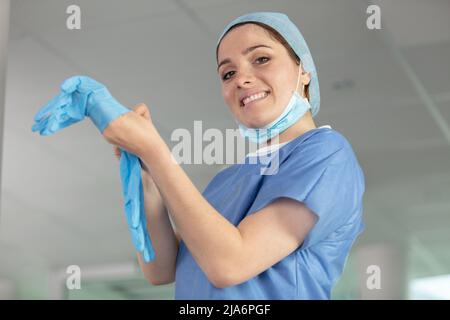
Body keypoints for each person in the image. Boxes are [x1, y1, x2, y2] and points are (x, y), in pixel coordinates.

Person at [105, 12, 365, 299]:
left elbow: (230, 264)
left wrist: (156, 154)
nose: (241, 79)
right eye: (228, 74)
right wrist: (146, 178)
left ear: (304, 71)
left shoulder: (326, 153)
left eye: (261, 59)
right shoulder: (227, 180)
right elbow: (161, 268)